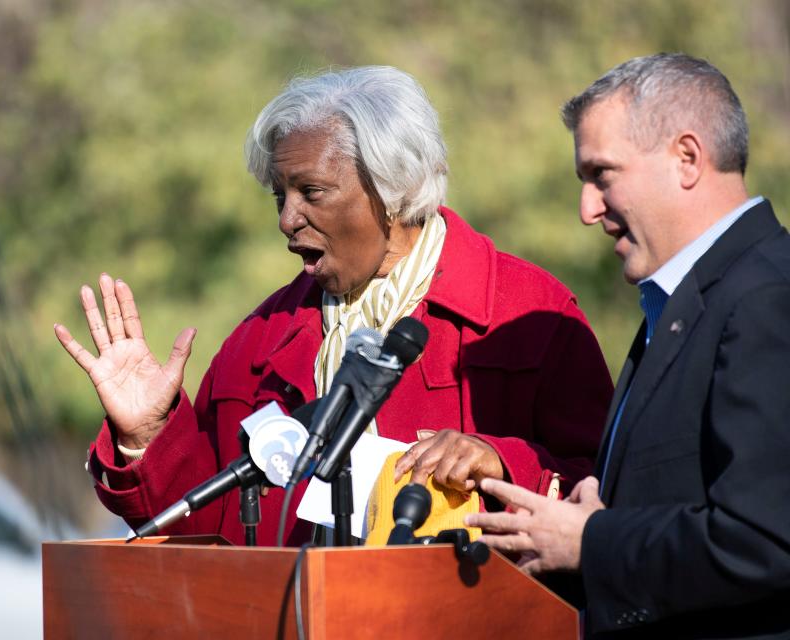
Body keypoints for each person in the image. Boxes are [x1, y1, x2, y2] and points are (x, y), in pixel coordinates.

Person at [55, 66, 613, 546]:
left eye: (311, 192)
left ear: (393, 186)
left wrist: (498, 461)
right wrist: (147, 437)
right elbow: (203, 538)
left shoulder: (531, 316)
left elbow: (610, 506)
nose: (285, 219)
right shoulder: (257, 343)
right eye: (280, 196)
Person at [465, 54, 790, 638]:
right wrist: (575, 529)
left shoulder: (767, 298)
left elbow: (765, 538)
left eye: (602, 175)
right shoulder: (684, 301)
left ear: (686, 159)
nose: (588, 210)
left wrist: (591, 540)